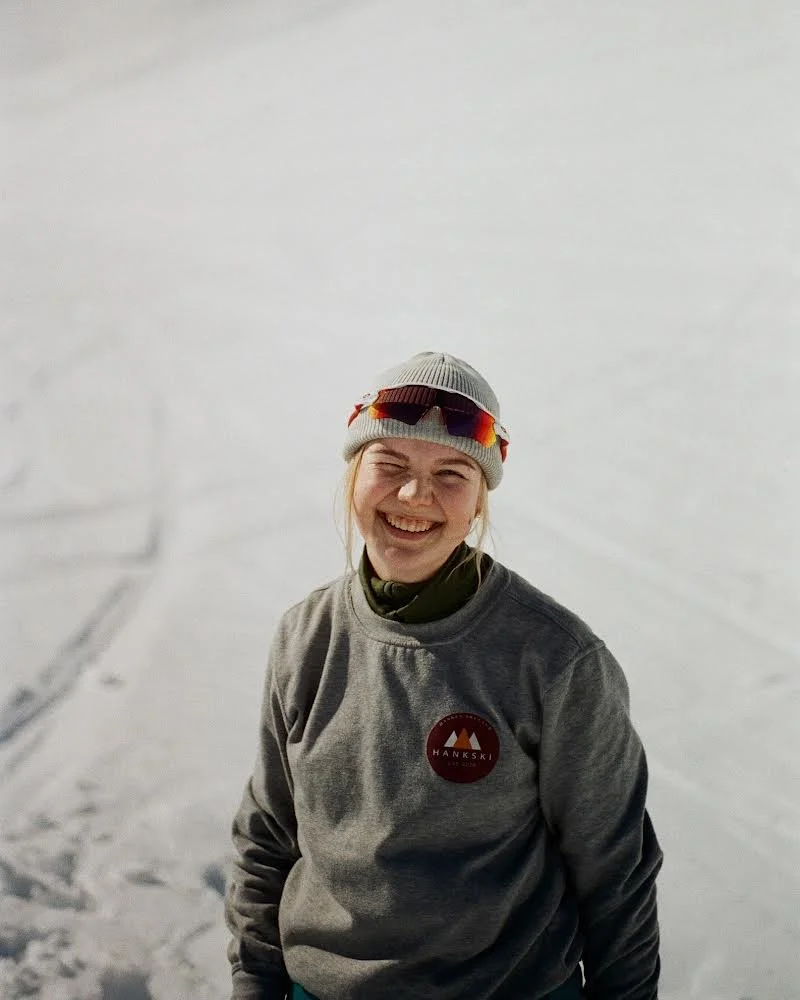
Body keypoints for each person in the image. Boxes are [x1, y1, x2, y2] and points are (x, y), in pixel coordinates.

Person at [225, 352, 663, 1000]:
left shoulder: (555, 660)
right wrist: (254, 984)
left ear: (481, 497)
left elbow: (615, 873)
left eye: (450, 474)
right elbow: (268, 837)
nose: (413, 496)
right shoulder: (305, 636)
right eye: (390, 464)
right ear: (353, 473)